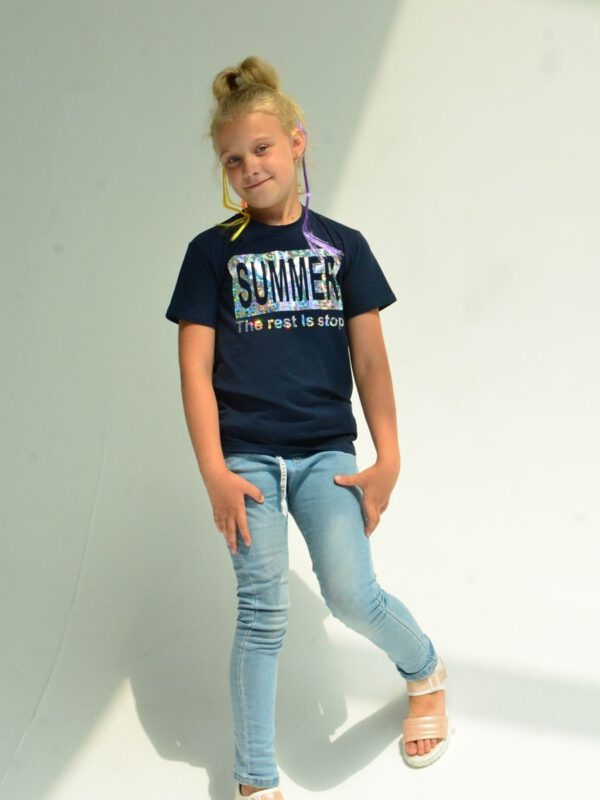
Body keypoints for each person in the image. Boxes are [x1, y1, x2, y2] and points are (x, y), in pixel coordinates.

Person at [165, 55, 452, 800]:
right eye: (233, 159)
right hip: (247, 460)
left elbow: (371, 361)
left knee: (352, 594)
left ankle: (424, 670)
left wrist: (390, 458)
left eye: (261, 149)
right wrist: (214, 472)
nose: (249, 169)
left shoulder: (344, 247)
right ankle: (255, 781)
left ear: (296, 142)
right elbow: (194, 371)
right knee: (263, 611)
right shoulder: (211, 254)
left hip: (328, 454)